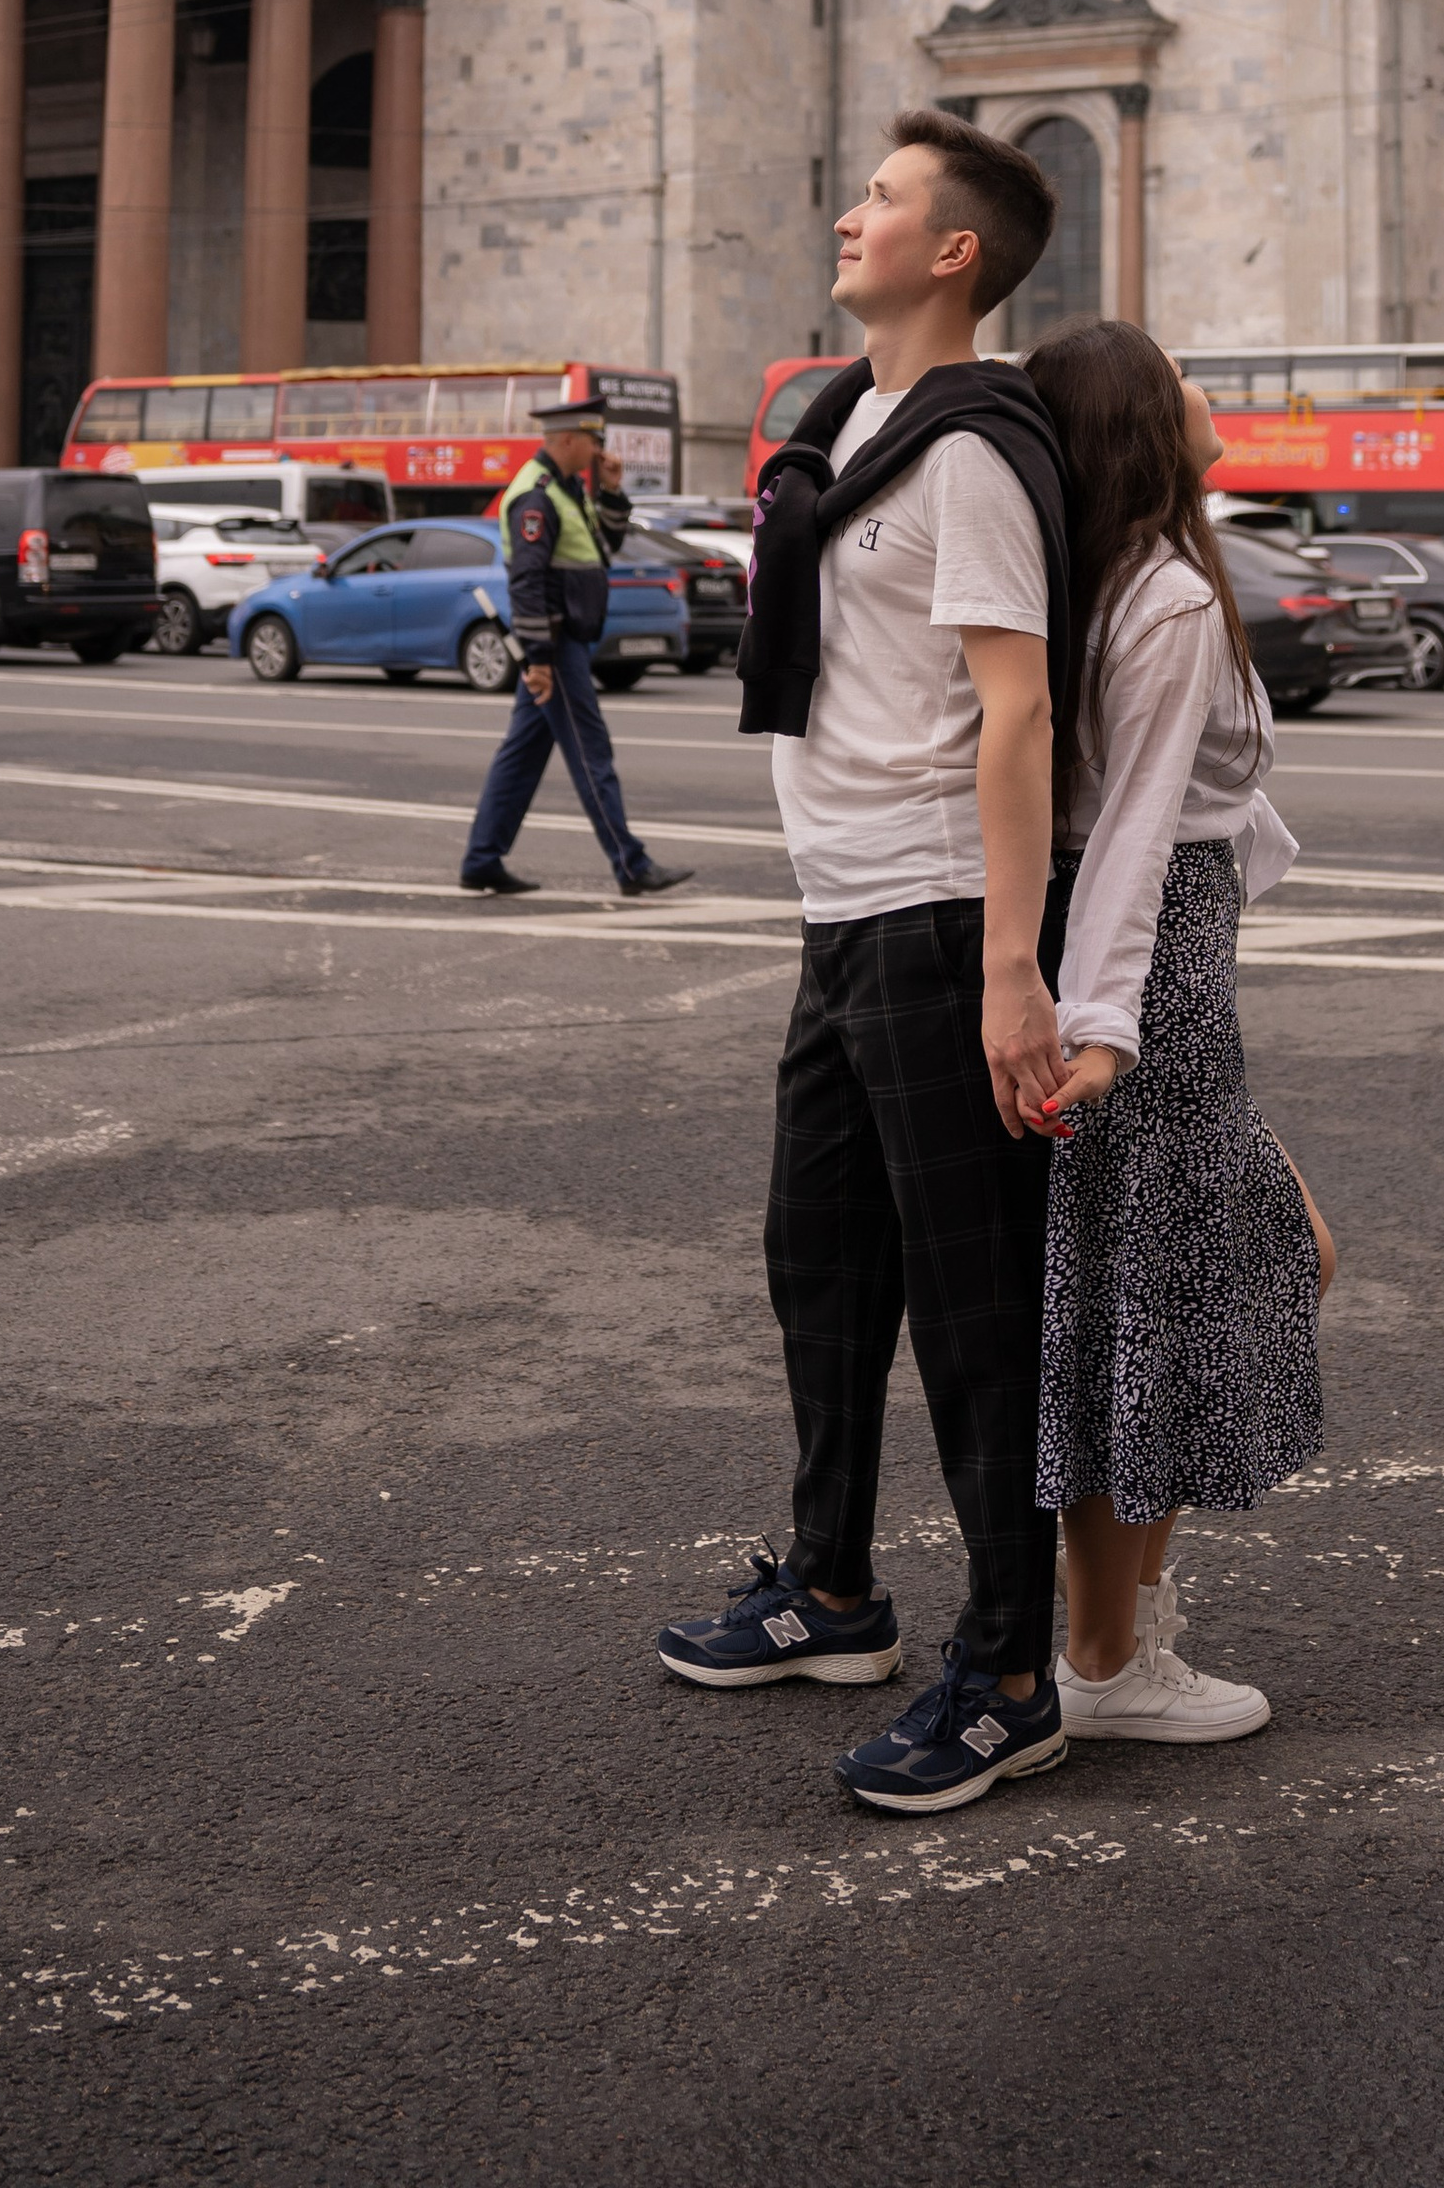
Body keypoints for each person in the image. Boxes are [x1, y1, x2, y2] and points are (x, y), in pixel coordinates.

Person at [654, 110, 1081, 1817]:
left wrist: (1009, 966)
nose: (852, 212)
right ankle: (832, 1589)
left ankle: (1011, 1670)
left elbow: (1018, 706)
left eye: (888, 198)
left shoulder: (974, 447)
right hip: (838, 911)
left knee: (975, 1310)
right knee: (819, 1265)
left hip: (927, 916)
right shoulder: (851, 423)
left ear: (954, 251)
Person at [1023, 320, 1334, 1744]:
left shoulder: (1113, 579)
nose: (1207, 387)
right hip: (1156, 985)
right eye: (1177, 374)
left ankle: (1119, 1631)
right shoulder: (1161, 596)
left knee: (1177, 1288)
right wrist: (1103, 1026)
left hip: (1149, 968)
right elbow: (1137, 833)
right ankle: (1106, 1657)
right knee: (1149, 1306)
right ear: (1148, 423)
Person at [457, 388, 692, 902]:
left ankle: (481, 859)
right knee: (591, 752)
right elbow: (528, 581)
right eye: (593, 439)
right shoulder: (536, 495)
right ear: (568, 439)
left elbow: (603, 549)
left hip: (567, 641)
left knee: (522, 754)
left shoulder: (566, 488)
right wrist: (538, 658)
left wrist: (611, 490)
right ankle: (631, 864)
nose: (600, 449)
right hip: (557, 644)